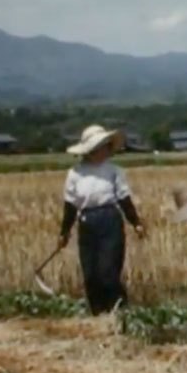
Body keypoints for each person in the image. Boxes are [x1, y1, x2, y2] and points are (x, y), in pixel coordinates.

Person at [58, 124, 146, 315]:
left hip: (109, 220)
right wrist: (64, 232)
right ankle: (98, 313)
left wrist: (136, 222)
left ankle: (119, 310)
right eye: (101, 146)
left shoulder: (114, 171)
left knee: (108, 271)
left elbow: (124, 199)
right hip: (86, 221)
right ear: (91, 150)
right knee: (90, 274)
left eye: (107, 146)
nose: (105, 150)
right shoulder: (75, 174)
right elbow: (70, 206)